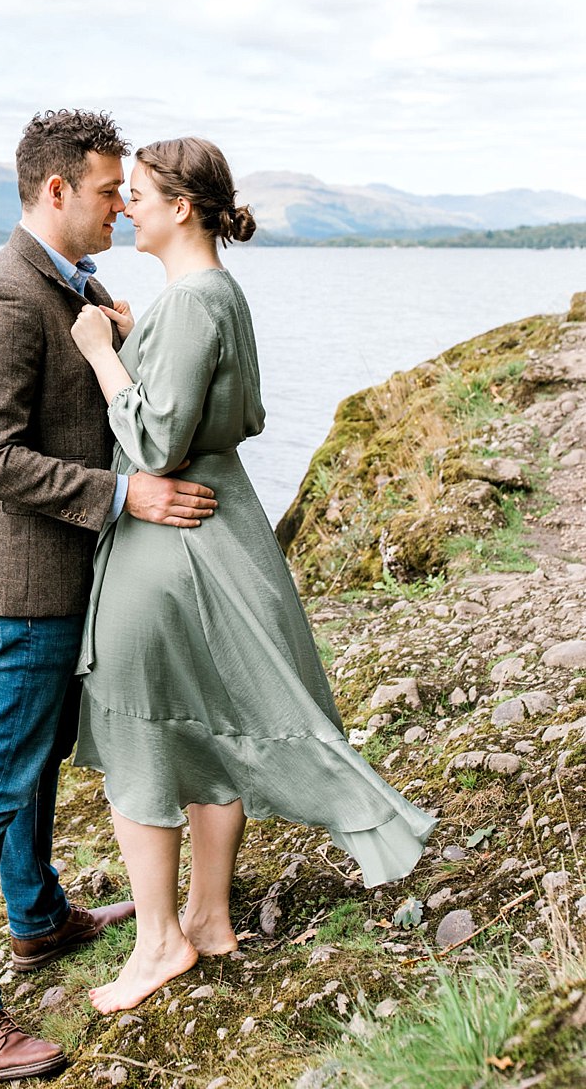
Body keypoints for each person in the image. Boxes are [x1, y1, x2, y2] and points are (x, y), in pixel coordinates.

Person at [70, 136, 437, 1015]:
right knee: (215, 716)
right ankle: (206, 915)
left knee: (144, 729)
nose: (127, 207)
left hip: (173, 543)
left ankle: (159, 942)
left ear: (180, 208)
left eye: (140, 195)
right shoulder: (208, 296)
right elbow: (248, 410)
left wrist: (99, 349)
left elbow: (156, 440)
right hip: (222, 521)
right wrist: (138, 336)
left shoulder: (192, 302)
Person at [0, 111, 221, 1082]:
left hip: (71, 580)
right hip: (26, 589)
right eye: (107, 191)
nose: (118, 205)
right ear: (55, 191)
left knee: (39, 760)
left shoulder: (80, 286)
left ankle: (40, 917)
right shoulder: (4, 298)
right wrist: (119, 495)